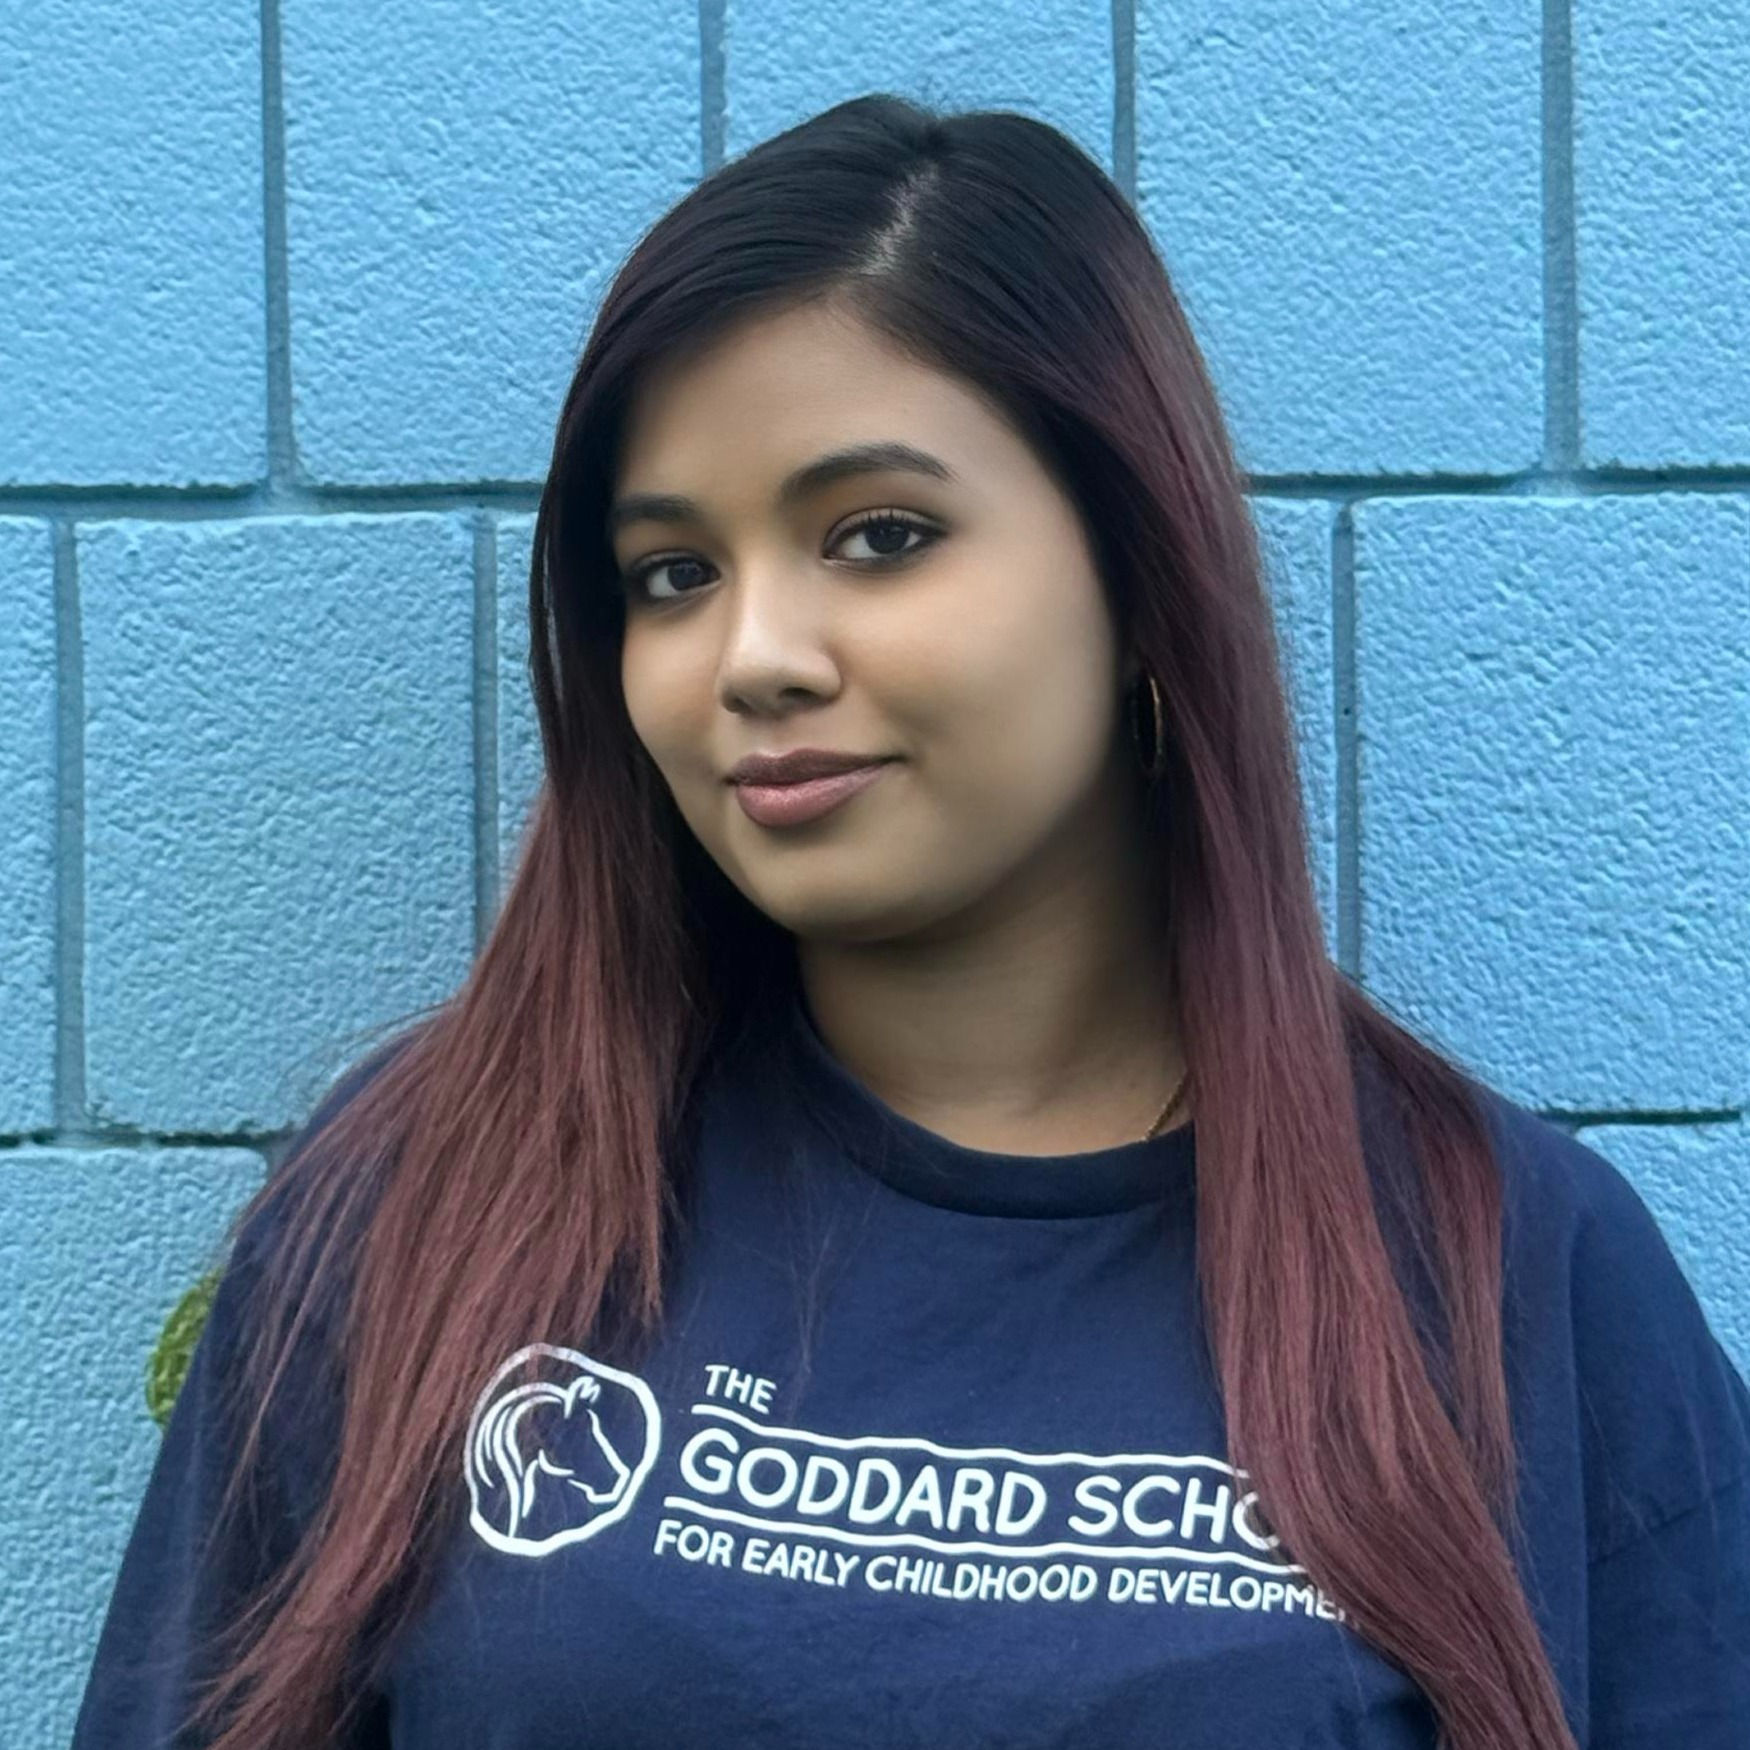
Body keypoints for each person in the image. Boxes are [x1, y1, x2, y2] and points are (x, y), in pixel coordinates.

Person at [71, 94, 1748, 1750]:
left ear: (1139, 578)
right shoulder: (427, 1207)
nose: (753, 656)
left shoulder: (1504, 1265)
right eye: (671, 573)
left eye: (879, 536)